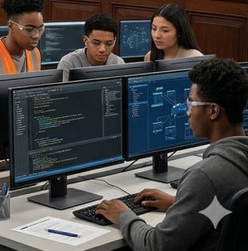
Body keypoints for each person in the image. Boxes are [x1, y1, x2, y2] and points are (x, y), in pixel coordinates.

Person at [95, 58, 248, 250]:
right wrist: (182, 205)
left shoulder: (204, 176)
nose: (188, 112)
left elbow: (157, 245)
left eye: (191, 104)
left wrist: (123, 216)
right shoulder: (238, 161)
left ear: (213, 111)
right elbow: (231, 212)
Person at [56, 13, 125, 76]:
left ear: (115, 41)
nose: (102, 49)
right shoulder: (69, 63)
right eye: (96, 43)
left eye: (109, 44)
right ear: (85, 40)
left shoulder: (118, 63)